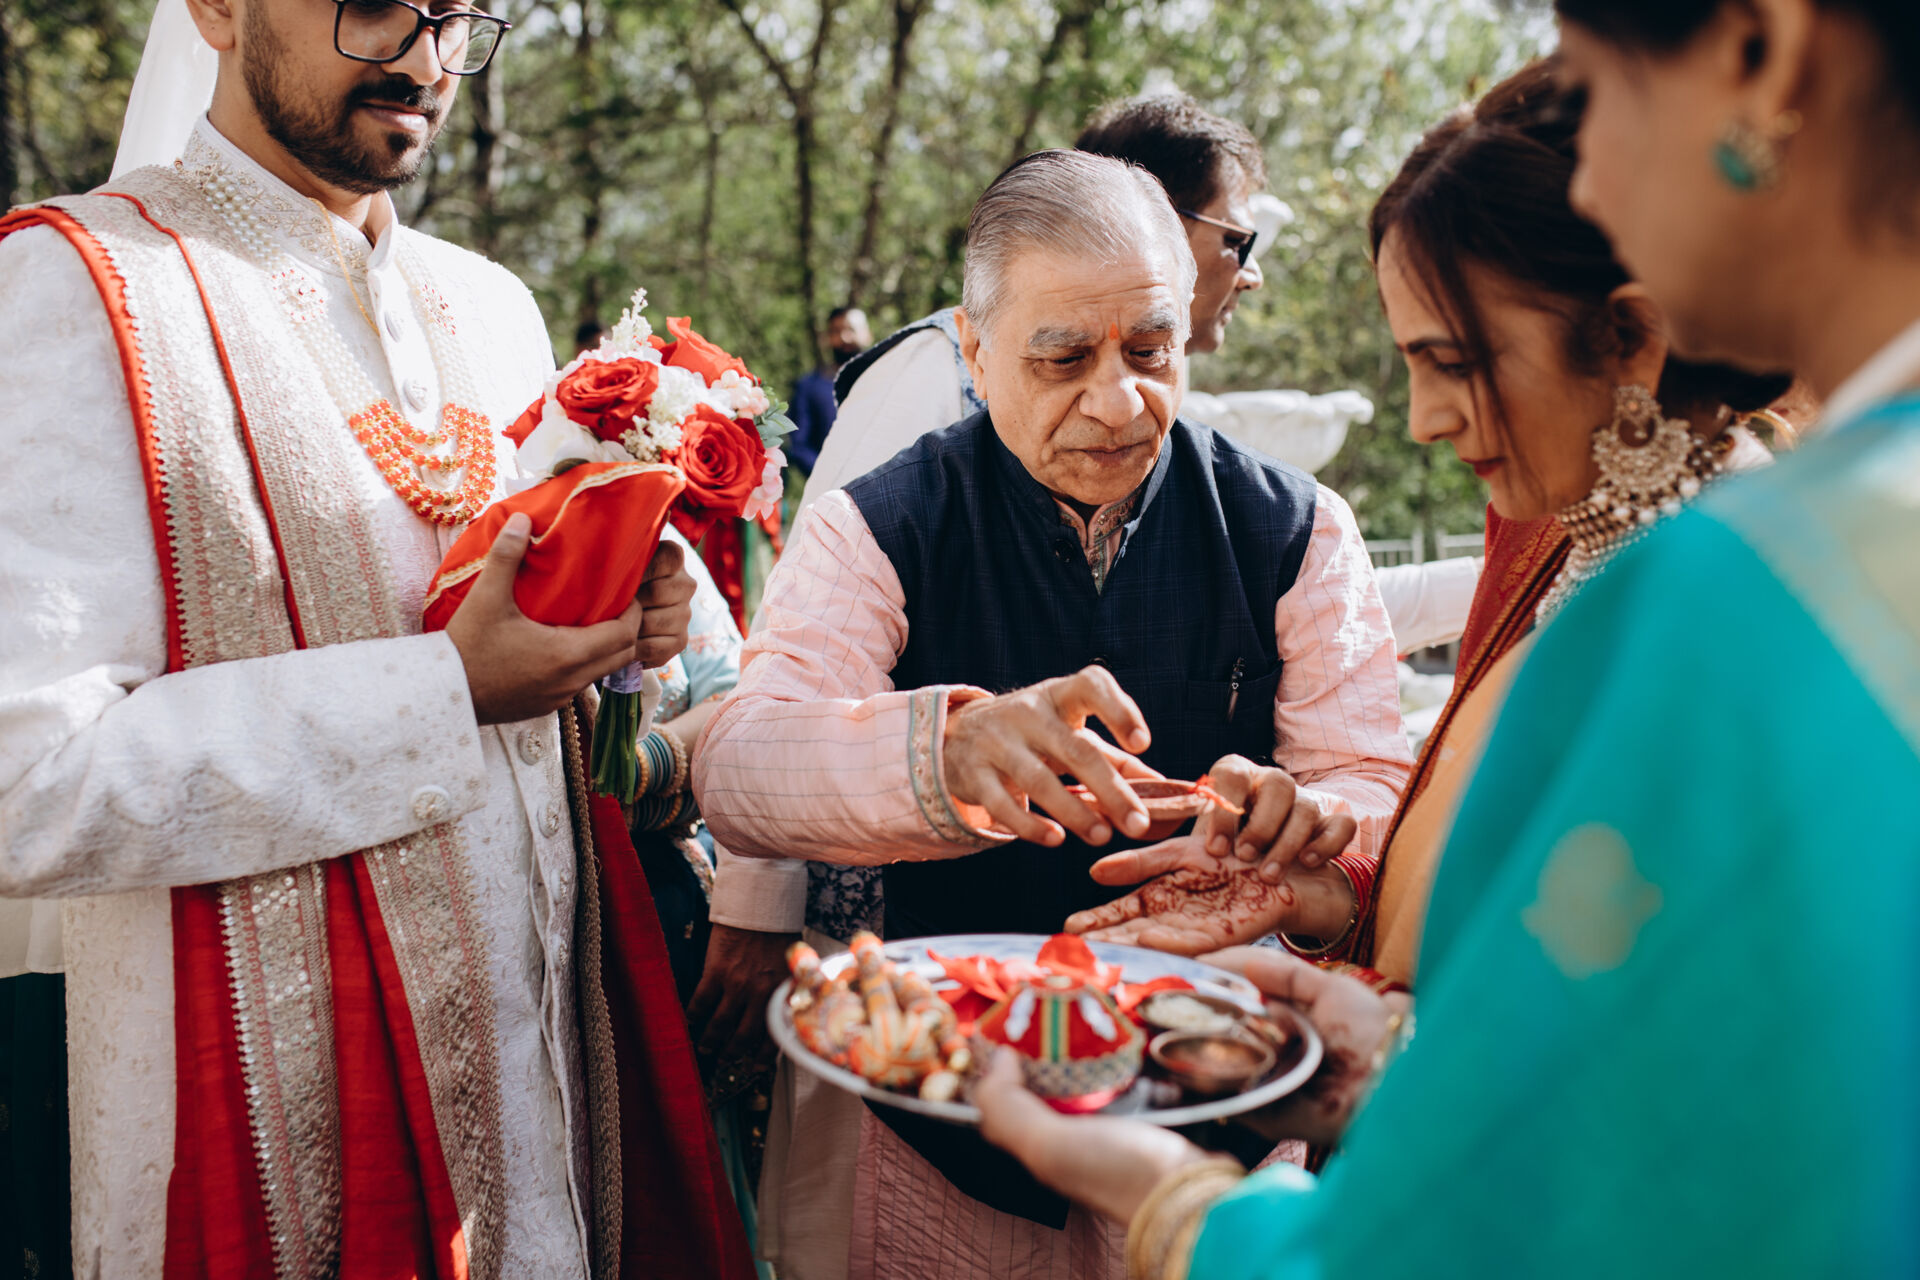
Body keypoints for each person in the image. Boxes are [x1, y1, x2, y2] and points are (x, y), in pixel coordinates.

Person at [975, 2, 1920, 1274]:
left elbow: (1533, 1216)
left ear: (1763, 51)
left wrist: (1178, 1206)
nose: (1593, 176)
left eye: (1599, 89)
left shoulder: (1745, 596)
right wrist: (1380, 1011)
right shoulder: (1698, 552)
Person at [0, 0, 756, 1271]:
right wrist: (443, 691)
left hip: (549, 1108)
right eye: (372, 6)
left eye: (457, 17)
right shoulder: (83, 287)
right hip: (263, 1119)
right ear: (217, 9)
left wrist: (621, 627)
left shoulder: (489, 304)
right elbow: (25, 786)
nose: (423, 58)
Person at [695, 149, 1413, 1280]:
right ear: (975, 351)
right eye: (1065, 357)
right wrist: (945, 751)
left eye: (1151, 350)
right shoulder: (878, 525)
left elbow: (1372, 783)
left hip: (1215, 1111)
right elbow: (740, 765)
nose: (1118, 401)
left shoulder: (1297, 527)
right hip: (952, 1125)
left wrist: (1309, 827)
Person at [1066, 62, 1784, 992]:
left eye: (1451, 363)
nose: (1423, 419)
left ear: (1632, 340)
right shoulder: (1548, 537)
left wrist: (1379, 1038)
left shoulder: (1756, 608)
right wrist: (1320, 896)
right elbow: (1488, 898)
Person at [787, 305, 873, 475]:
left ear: (868, 334)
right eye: (836, 331)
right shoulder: (809, 386)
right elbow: (800, 445)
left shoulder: (887, 380)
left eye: (851, 330)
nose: (844, 337)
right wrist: (828, 479)